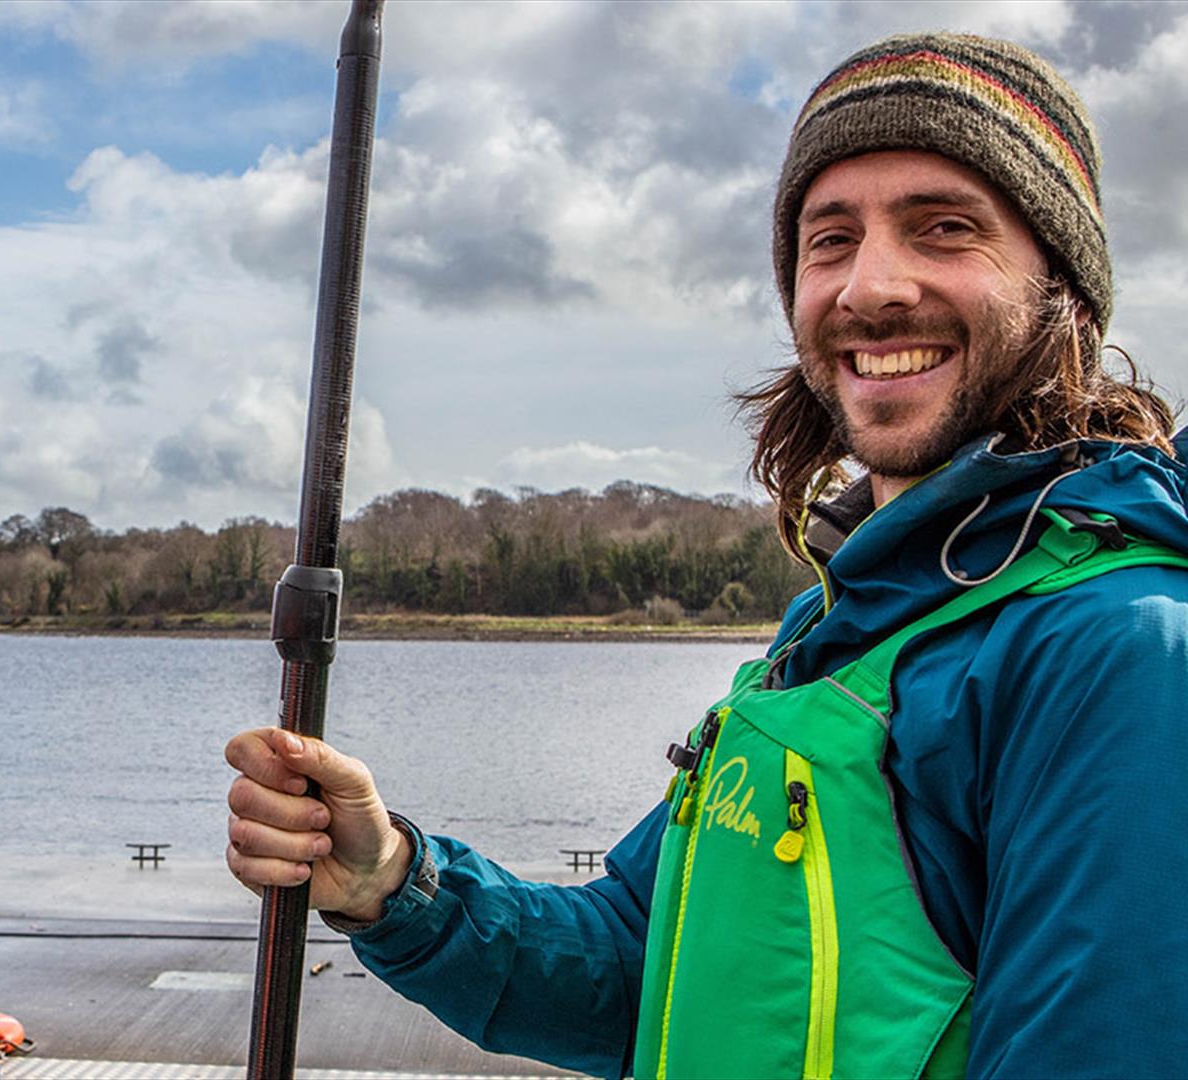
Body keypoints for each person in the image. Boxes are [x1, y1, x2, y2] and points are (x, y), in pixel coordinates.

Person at [225, 32, 1188, 1079]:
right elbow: (647, 966)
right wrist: (395, 882)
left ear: (1066, 290)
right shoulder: (831, 630)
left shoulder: (1116, 649)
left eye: (944, 228)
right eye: (829, 240)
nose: (870, 287)